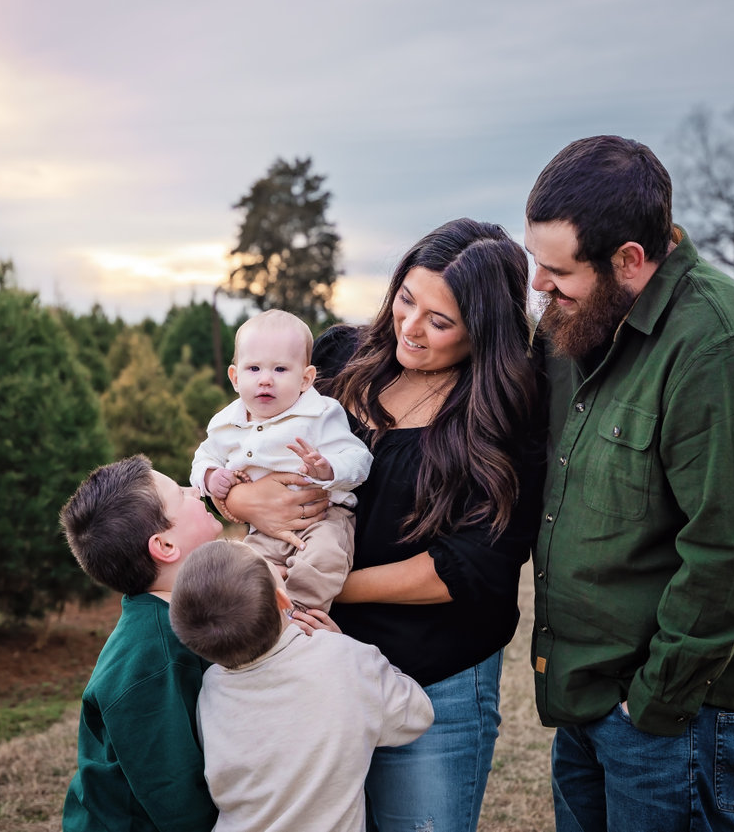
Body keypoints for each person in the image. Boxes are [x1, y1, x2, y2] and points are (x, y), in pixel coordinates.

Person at [218, 217, 545, 832]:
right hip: (311, 664)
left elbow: (472, 567)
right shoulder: (342, 360)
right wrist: (244, 505)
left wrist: (323, 586)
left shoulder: (506, 413)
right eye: (406, 300)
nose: (411, 328)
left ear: (484, 334)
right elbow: (243, 442)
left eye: (439, 322)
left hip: (431, 677)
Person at [525, 135, 734, 831]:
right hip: (586, 699)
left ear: (630, 259)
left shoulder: (720, 345)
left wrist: (654, 701)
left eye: (558, 269)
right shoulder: (579, 323)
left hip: (666, 720)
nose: (540, 285)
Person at [169, 538, 434, 832]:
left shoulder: (212, 686)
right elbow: (415, 716)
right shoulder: (342, 658)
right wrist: (345, 644)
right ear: (283, 599)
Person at [58, 454, 221, 832]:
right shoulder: (153, 657)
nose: (195, 489)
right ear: (164, 545)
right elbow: (173, 789)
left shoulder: (184, 614)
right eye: (181, 494)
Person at [191, 308, 372, 611]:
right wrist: (211, 476)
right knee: (247, 573)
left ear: (306, 378)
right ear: (235, 377)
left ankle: (300, 615)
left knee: (324, 559)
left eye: (280, 370)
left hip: (322, 519)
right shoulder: (226, 423)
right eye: (253, 369)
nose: (265, 380)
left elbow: (358, 459)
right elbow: (203, 458)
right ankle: (263, 626)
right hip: (263, 529)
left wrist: (328, 469)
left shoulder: (319, 414)